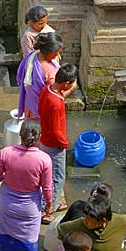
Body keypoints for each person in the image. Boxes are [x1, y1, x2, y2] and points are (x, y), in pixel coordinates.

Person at [0, 119, 53, 251]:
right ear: (39, 137)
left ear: (20, 135)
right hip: (29, 208)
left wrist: (9, 177)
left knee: (3, 231)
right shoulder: (44, 159)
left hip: (6, 203)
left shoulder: (6, 153)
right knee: (29, 238)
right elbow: (47, 188)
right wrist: (50, 206)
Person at [38, 63, 79, 221]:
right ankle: (47, 210)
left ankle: (51, 203)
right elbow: (56, 131)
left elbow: (58, 97)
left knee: (47, 175)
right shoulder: (56, 104)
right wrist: (65, 143)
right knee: (58, 177)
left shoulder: (47, 89)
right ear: (66, 83)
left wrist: (69, 91)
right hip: (54, 144)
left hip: (44, 140)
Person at [16, 32, 64, 119]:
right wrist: (71, 89)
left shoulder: (31, 56)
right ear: (50, 52)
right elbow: (55, 96)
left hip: (30, 104)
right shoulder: (50, 72)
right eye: (57, 52)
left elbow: (20, 76)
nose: (58, 55)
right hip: (42, 112)